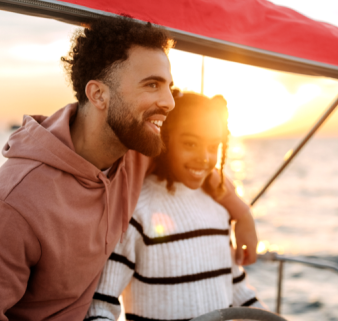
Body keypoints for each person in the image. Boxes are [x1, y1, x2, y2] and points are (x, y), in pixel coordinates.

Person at [0, 16, 258, 321]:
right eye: (152, 85)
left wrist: (241, 213)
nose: (169, 102)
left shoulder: (136, 150)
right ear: (98, 95)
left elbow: (191, 164)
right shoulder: (10, 207)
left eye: (168, 86)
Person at [86, 92, 264, 321]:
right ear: (166, 140)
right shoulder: (138, 210)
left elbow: (236, 289)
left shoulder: (218, 208)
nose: (203, 157)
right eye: (190, 143)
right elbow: (100, 307)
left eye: (212, 146)